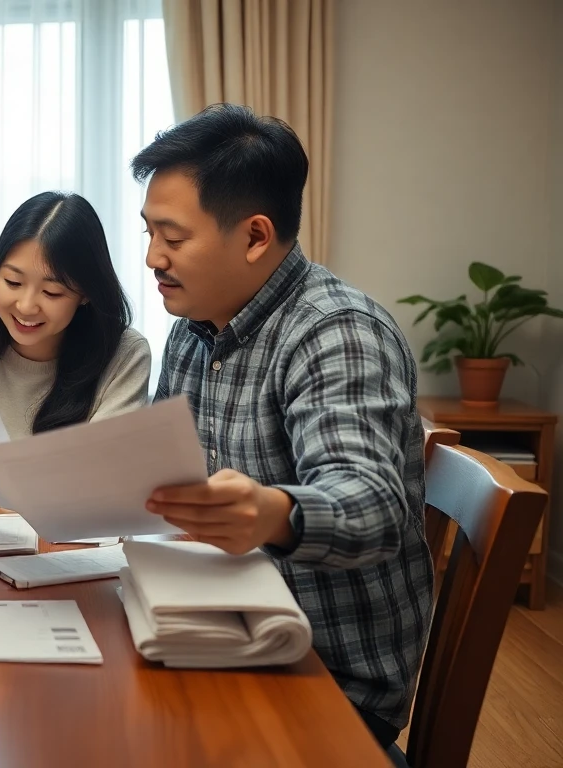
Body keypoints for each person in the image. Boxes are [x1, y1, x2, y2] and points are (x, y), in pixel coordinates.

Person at [133, 104, 432, 757]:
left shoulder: (336, 331)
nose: (152, 257)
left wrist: (273, 511)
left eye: (172, 237)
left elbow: (375, 506)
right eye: (148, 232)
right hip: (218, 621)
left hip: (323, 675)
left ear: (256, 236)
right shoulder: (193, 323)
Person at [0, 191, 152, 514]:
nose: (26, 306)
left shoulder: (124, 355)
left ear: (86, 294)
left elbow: (104, 483)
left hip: (71, 549)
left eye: (51, 291)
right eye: (13, 282)